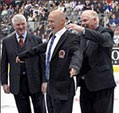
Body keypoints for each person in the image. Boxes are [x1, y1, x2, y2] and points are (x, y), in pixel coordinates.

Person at [16, 10, 83, 113]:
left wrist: (75, 66)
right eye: (49, 21)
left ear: (62, 21)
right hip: (51, 87)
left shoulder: (72, 38)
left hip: (63, 88)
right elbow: (39, 49)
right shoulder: (52, 37)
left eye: (52, 21)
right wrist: (23, 56)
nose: (49, 24)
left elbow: (77, 53)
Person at [67, 10, 116, 113]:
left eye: (85, 20)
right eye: (81, 21)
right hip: (86, 84)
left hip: (102, 85)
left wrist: (83, 30)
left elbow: (104, 40)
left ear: (94, 20)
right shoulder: (81, 36)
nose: (83, 23)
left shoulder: (106, 31)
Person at [1, 14, 46, 113]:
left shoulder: (37, 40)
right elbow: (3, 64)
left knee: (40, 110)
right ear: (13, 26)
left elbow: (42, 63)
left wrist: (44, 81)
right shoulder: (6, 42)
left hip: (36, 82)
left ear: (26, 24)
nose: (21, 27)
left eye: (23, 24)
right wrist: (4, 82)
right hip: (17, 84)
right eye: (18, 25)